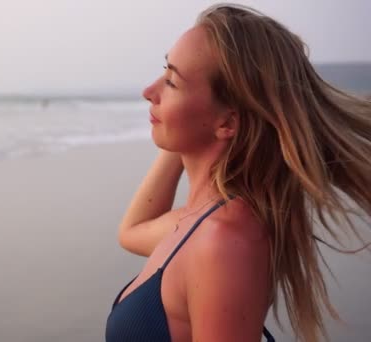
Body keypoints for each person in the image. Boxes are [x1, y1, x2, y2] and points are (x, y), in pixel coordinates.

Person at [105, 3, 371, 342]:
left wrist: (178, 123)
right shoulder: (199, 221)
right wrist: (175, 131)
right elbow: (132, 231)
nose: (149, 91)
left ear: (228, 122)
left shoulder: (225, 240)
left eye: (171, 81)